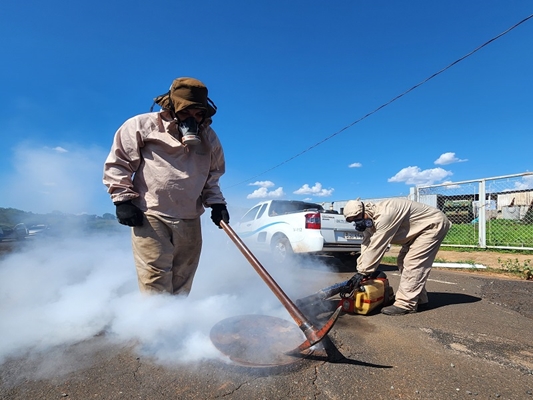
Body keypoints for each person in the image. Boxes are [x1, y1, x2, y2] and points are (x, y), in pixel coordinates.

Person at [103, 77, 229, 296]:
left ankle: (174, 324)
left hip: (190, 218)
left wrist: (217, 204)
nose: (194, 119)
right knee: (155, 279)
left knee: (182, 278)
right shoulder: (141, 125)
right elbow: (119, 162)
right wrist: (122, 200)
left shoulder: (208, 137)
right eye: (186, 113)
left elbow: (212, 176)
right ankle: (155, 327)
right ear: (171, 108)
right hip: (151, 215)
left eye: (199, 114)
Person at [343, 198, 451, 315]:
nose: (357, 222)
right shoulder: (369, 217)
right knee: (402, 261)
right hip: (417, 231)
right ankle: (420, 299)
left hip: (432, 225)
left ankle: (406, 304)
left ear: (364, 209)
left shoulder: (385, 214)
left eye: (357, 217)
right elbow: (366, 244)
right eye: (352, 220)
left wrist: (364, 271)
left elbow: (377, 245)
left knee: (413, 263)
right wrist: (360, 270)